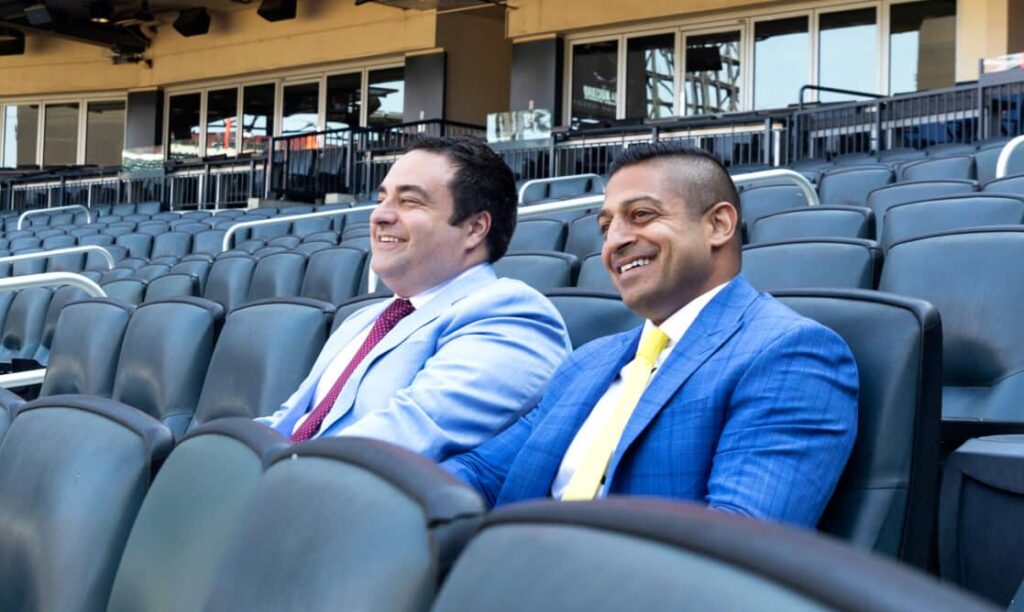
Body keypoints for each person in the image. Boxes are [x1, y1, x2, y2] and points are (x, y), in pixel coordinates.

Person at [442, 143, 859, 527]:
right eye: (606, 227)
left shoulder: (789, 353)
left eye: (641, 215)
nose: (616, 241)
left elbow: (738, 544)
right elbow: (480, 472)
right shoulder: (587, 361)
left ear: (718, 224)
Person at [258, 136, 571, 461]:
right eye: (382, 198)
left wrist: (269, 476)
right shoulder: (362, 320)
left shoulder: (513, 316)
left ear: (475, 228)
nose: (380, 215)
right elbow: (287, 422)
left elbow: (402, 437)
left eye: (409, 201)